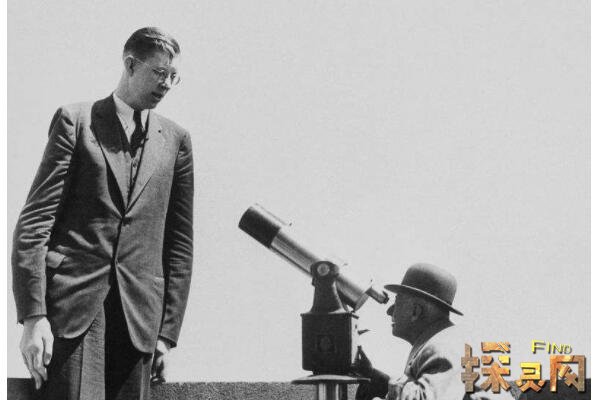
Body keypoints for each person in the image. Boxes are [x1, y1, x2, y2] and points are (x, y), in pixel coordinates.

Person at [12, 27, 194, 400]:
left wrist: (166, 334)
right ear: (130, 65)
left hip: (139, 322)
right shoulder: (75, 121)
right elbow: (35, 223)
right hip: (73, 314)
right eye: (159, 73)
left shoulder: (176, 140)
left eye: (173, 76)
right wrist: (33, 316)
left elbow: (179, 244)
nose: (166, 85)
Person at [354, 263, 466, 400]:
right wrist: (370, 373)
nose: (390, 311)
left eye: (398, 303)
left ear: (415, 311)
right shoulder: (442, 341)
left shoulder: (440, 350)